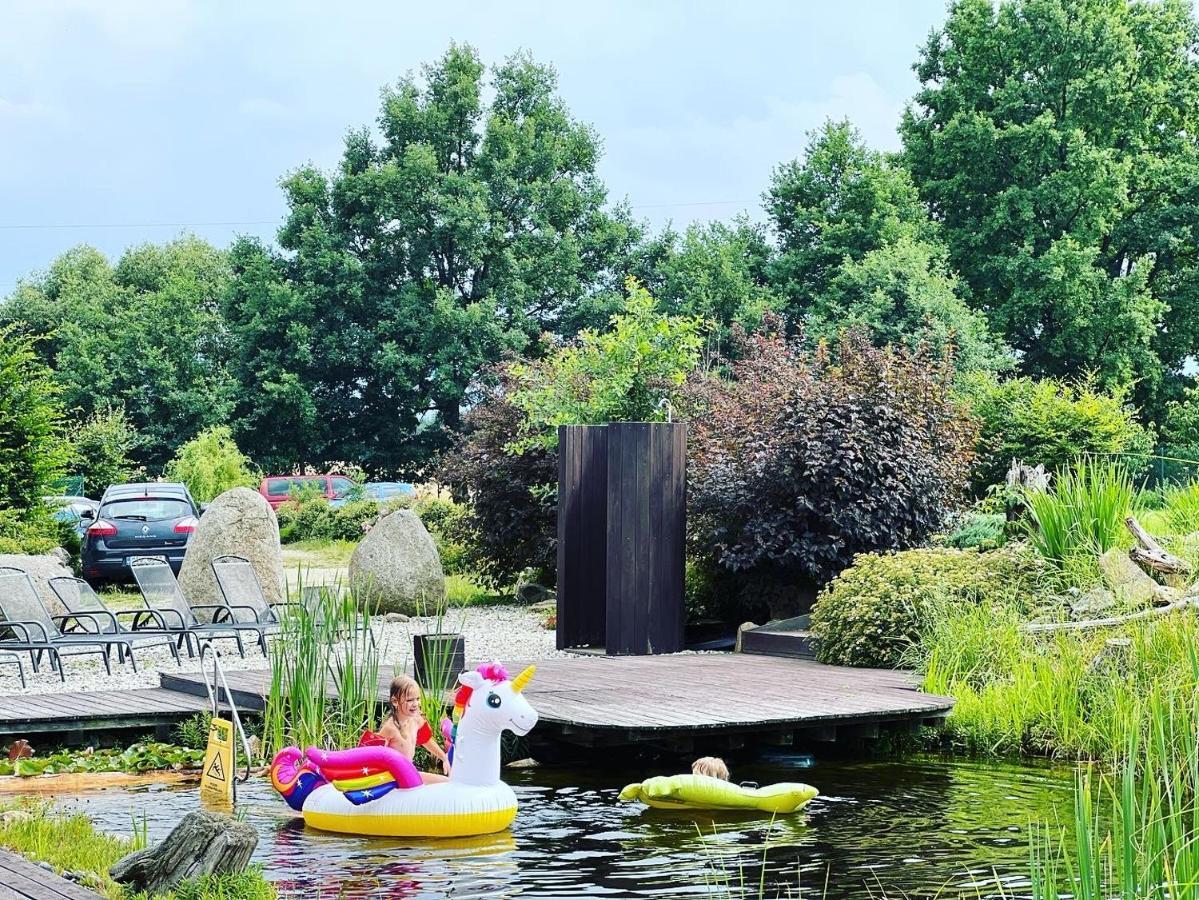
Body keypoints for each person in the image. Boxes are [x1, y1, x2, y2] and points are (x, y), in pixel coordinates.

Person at [377, 674, 451, 783]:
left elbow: (426, 741)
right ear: (395, 702)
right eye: (410, 700)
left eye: (418, 699)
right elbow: (375, 755)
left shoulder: (417, 720)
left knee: (446, 782)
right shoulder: (390, 728)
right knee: (445, 783)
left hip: (409, 772)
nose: (416, 704)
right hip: (395, 778)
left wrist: (444, 758)